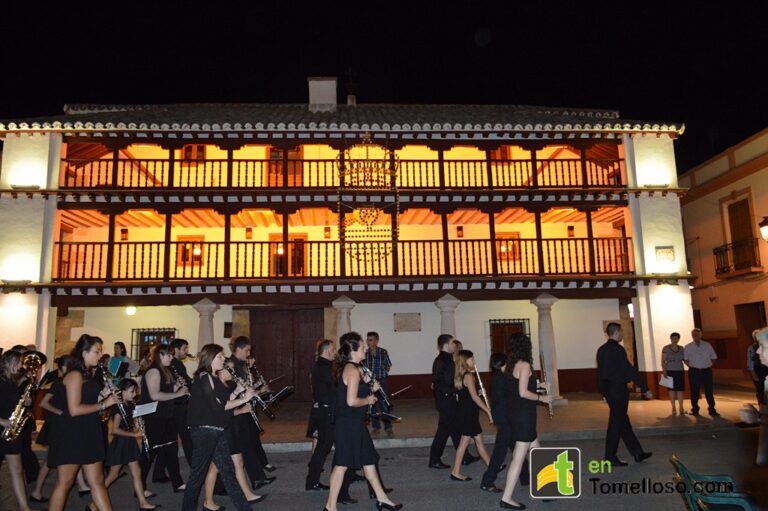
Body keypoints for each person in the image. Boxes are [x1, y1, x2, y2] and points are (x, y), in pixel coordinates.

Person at [324, 332, 402, 511]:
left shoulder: (355, 368)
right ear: (353, 350)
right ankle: (330, 507)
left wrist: (370, 386)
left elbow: (358, 392)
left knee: (369, 460)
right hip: (348, 424)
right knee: (342, 464)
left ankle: (382, 499)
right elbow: (351, 401)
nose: (365, 348)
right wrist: (368, 399)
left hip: (355, 423)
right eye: (362, 346)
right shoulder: (352, 370)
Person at [181, 343, 262, 511]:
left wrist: (236, 392)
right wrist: (244, 399)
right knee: (197, 476)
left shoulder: (214, 378)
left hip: (216, 430)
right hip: (204, 431)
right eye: (219, 356)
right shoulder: (204, 377)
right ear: (210, 358)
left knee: (228, 474)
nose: (223, 359)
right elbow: (219, 406)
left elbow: (223, 402)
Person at [47, 334, 119, 511]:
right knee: (65, 483)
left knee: (98, 482)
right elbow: (74, 409)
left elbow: (88, 400)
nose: (100, 355)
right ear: (84, 352)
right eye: (97, 351)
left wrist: (105, 396)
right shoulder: (75, 375)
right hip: (72, 435)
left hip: (88, 431)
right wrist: (104, 404)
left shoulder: (89, 374)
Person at [201, 360, 266, 510]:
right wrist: (242, 408)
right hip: (221, 429)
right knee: (215, 467)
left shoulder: (225, 385)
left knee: (238, 461)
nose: (232, 372)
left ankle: (247, 494)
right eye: (229, 369)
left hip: (229, 428)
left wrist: (241, 391)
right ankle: (208, 501)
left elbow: (228, 401)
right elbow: (222, 408)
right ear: (220, 372)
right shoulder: (215, 385)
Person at [499, 333, 554, 510]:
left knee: (536, 451)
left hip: (517, 414)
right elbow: (523, 393)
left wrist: (538, 385)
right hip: (524, 415)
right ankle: (506, 498)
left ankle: (545, 488)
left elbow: (517, 388)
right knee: (518, 457)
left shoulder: (510, 365)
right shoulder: (525, 365)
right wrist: (542, 398)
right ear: (526, 346)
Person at [30, 355, 91, 503]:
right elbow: (44, 403)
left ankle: (82, 485)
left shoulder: (69, 380)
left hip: (63, 423)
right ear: (64, 367)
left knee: (67, 456)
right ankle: (36, 491)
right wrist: (60, 413)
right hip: (57, 424)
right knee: (51, 460)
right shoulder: (59, 382)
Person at [596, 322, 653, 468]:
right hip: (618, 391)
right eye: (621, 331)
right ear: (616, 333)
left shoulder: (601, 350)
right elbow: (630, 370)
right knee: (616, 423)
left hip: (609, 391)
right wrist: (645, 388)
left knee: (622, 422)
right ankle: (610, 456)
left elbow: (601, 374)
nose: (622, 334)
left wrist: (604, 393)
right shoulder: (618, 350)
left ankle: (637, 452)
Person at [139, 344, 189, 493]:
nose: (171, 357)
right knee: (148, 455)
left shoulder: (164, 371)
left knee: (171, 450)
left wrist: (178, 388)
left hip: (166, 416)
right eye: (169, 355)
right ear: (160, 355)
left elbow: (166, 390)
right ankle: (139, 487)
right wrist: (177, 394)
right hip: (154, 418)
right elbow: (155, 395)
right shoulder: (153, 371)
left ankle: (177, 483)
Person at [103, 378, 157, 510]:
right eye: (132, 391)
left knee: (136, 472)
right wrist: (134, 434)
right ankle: (94, 503)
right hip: (121, 443)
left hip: (128, 442)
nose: (134, 394)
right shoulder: (118, 407)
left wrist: (137, 425)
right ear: (123, 391)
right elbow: (114, 430)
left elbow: (129, 423)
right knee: (113, 475)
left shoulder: (129, 405)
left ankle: (143, 503)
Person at [228, 336, 275, 488]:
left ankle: (257, 478)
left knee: (248, 444)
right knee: (244, 446)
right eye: (247, 350)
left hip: (245, 408)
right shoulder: (231, 366)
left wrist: (259, 389)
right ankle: (254, 479)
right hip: (237, 411)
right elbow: (231, 392)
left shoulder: (242, 365)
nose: (249, 354)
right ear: (239, 349)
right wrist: (241, 407)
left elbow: (246, 389)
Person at [480, 352, 528, 493]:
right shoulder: (502, 378)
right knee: (500, 452)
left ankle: (525, 477)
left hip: (503, 417)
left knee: (517, 447)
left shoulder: (498, 377)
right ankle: (487, 481)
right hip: (505, 418)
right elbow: (516, 394)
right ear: (502, 363)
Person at [428, 334, 476, 468]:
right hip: (447, 399)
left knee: (455, 429)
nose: (454, 345)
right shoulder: (447, 360)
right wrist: (463, 383)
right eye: (453, 343)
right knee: (443, 430)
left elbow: (437, 380)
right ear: (447, 344)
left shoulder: (439, 359)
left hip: (443, 399)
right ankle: (434, 460)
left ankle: (465, 457)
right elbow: (450, 381)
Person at [0, 350, 34, 511]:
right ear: (9, 363)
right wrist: (2, 421)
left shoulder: (13, 382)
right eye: (19, 362)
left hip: (11, 431)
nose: (22, 366)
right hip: (2, 427)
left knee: (17, 469)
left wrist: (25, 402)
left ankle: (24, 507)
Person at [449, 350, 491, 481]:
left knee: (477, 441)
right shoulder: (467, 375)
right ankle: (456, 472)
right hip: (468, 414)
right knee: (467, 442)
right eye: (472, 359)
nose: (474, 361)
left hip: (467, 412)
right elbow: (474, 398)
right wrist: (487, 410)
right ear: (466, 361)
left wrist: (480, 391)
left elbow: (469, 394)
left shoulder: (463, 375)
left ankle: (492, 466)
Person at [683, 328, 719, 416]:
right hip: (694, 371)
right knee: (694, 391)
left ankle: (712, 409)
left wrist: (709, 365)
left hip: (706, 370)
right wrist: (692, 366)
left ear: (701, 335)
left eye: (698, 334)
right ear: (692, 336)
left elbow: (714, 357)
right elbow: (685, 359)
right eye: (694, 334)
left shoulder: (707, 345)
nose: (696, 336)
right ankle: (695, 409)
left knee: (709, 390)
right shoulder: (688, 347)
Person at [169, 338, 194, 465]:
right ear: (176, 350)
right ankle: (195, 466)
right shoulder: (174, 364)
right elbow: (184, 382)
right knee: (186, 438)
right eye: (185, 348)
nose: (187, 351)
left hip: (178, 405)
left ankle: (159, 472)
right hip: (178, 406)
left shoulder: (177, 363)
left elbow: (186, 381)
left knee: (172, 439)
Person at [364, 331, 393, 434]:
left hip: (382, 382)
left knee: (384, 404)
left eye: (370, 340)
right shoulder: (365, 354)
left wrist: (383, 375)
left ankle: (388, 427)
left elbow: (388, 364)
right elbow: (363, 368)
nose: (368, 342)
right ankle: (376, 426)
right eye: (367, 339)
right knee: (372, 405)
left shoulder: (383, 352)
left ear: (376, 341)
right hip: (370, 383)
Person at [661, 332, 686, 415]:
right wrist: (664, 371)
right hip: (670, 370)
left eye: (677, 338)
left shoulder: (681, 348)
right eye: (673, 338)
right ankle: (673, 407)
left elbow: (685, 359)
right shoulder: (666, 348)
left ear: (679, 339)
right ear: (671, 339)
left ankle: (681, 407)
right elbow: (663, 360)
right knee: (671, 390)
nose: (675, 340)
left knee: (680, 389)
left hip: (680, 370)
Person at [748, 329, 768, 405]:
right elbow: (750, 361)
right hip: (758, 369)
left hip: (765, 368)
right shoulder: (752, 348)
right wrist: (753, 373)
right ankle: (762, 404)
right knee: (760, 388)